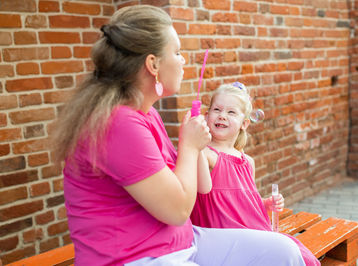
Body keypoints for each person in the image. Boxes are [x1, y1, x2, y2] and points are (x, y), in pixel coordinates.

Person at [53, 5, 306, 266]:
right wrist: (190, 146)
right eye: (177, 52)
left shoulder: (147, 114)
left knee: (283, 251)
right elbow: (177, 210)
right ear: (153, 64)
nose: (183, 60)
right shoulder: (117, 123)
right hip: (137, 257)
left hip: (182, 242)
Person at [190, 82, 321, 266]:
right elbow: (203, 189)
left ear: (244, 123)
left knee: (302, 256)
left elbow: (246, 201)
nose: (222, 116)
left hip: (252, 228)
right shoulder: (206, 154)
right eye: (217, 109)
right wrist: (195, 144)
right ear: (206, 116)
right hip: (224, 237)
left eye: (231, 112)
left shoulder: (247, 161)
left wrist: (266, 204)